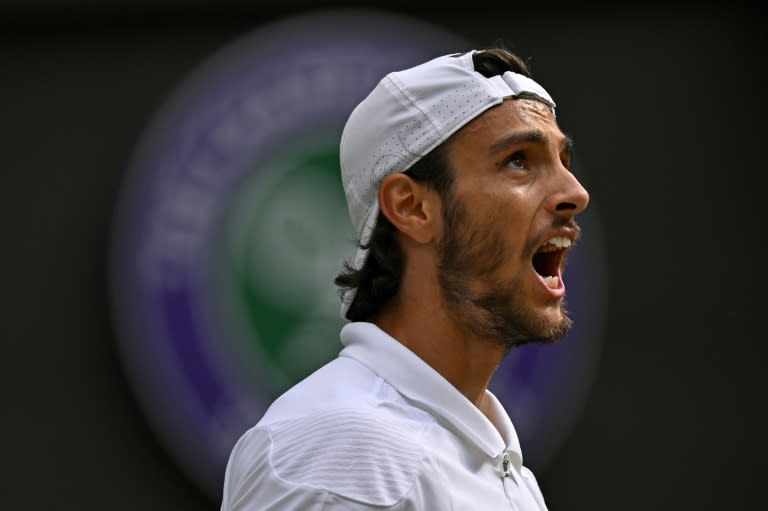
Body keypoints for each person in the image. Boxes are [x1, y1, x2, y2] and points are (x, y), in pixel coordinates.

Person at [220, 46, 590, 510]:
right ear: (412, 207)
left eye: (563, 161)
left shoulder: (497, 464)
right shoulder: (337, 456)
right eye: (518, 160)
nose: (575, 193)